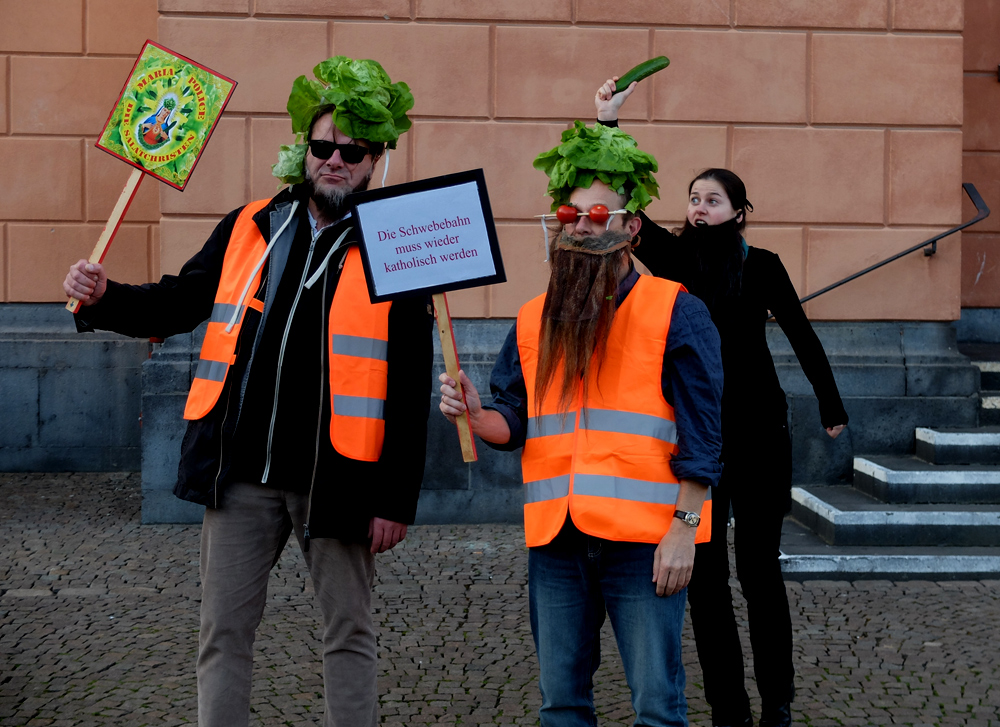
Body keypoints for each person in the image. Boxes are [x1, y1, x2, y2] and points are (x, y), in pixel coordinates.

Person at [63, 57, 431, 727]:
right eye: (323, 147)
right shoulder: (252, 224)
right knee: (222, 633)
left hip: (341, 477)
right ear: (304, 148)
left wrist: (395, 496)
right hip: (240, 474)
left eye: (352, 151)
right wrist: (104, 297)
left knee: (349, 634)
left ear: (375, 158)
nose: (335, 161)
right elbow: (178, 301)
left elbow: (409, 385)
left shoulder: (397, 244)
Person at [439, 120, 724, 726]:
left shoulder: (677, 309)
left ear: (631, 228)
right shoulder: (533, 316)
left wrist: (684, 530)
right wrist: (477, 412)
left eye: (600, 214)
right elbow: (513, 421)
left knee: (657, 708)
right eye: (572, 213)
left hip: (645, 544)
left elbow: (704, 437)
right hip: (556, 543)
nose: (584, 225)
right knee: (562, 706)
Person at [595, 77, 849, 727]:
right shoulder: (676, 258)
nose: (699, 206)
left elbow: (800, 332)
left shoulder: (761, 265)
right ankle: (727, 707)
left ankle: (778, 701)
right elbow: (624, 201)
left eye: (712, 199)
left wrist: (831, 402)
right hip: (700, 441)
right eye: (693, 198)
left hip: (763, 434)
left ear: (738, 210)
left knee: (758, 570)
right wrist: (608, 124)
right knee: (704, 580)